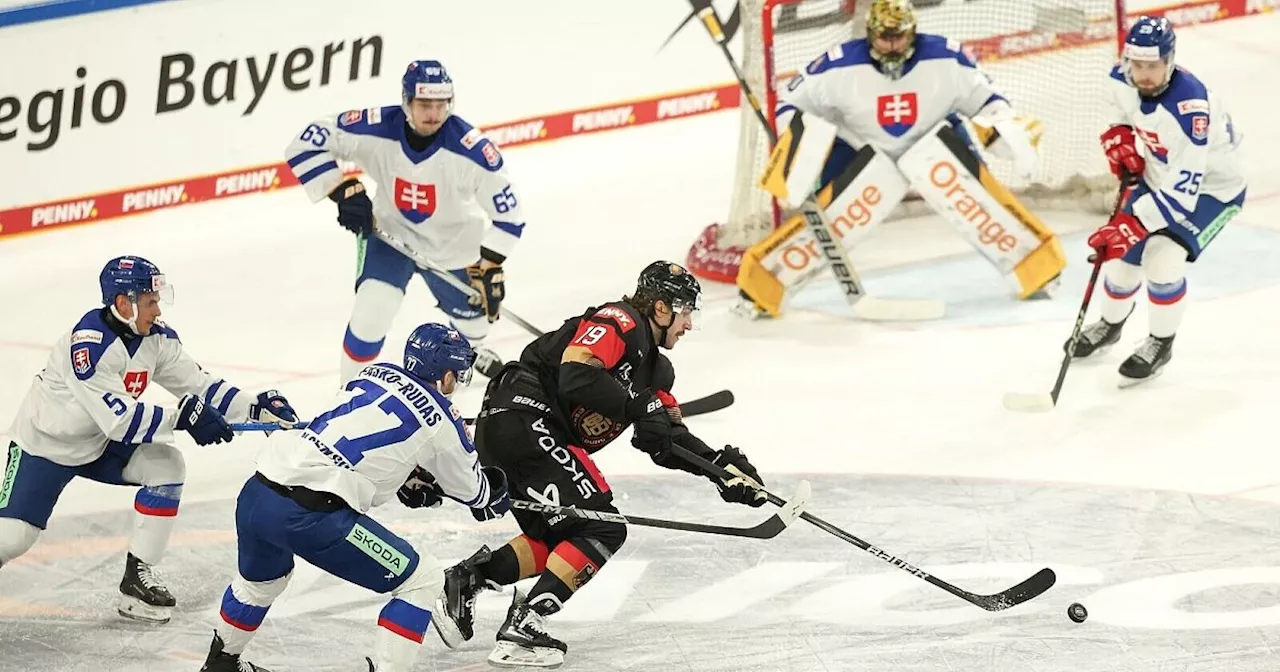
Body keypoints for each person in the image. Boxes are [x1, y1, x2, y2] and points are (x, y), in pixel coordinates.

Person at [432, 261, 767, 668]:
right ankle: (524, 624)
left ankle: (470, 577)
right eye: (685, 312)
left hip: (524, 431)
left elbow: (664, 441)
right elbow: (575, 373)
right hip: (523, 416)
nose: (689, 324)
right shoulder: (620, 321)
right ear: (661, 308)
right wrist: (634, 404)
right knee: (602, 526)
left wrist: (718, 469)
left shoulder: (657, 370)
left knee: (568, 535)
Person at [0, 255, 298, 624]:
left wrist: (254, 408)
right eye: (150, 300)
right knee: (11, 538)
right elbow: (121, 422)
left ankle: (135, 582)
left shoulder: (156, 338)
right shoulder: (89, 347)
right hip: (43, 447)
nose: (158, 309)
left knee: (167, 467)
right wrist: (184, 419)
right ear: (123, 303)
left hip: (96, 443)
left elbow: (201, 386)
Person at [199, 323, 510, 672]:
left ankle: (220, 665)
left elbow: (358, 443)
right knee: (423, 579)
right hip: (311, 516)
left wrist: (405, 477)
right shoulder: (442, 418)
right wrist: (495, 492)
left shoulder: (371, 374)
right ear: (446, 375)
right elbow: (474, 492)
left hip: (257, 493)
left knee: (261, 584)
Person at [737, 0, 1063, 318]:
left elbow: (989, 102)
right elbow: (789, 105)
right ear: (869, 32)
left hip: (932, 141)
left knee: (978, 201)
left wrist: (1006, 130)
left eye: (900, 36)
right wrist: (799, 145)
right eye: (884, 37)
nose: (892, 45)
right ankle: (760, 287)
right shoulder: (837, 65)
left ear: (913, 31)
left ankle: (1039, 268)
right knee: (831, 220)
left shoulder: (948, 57)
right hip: (860, 148)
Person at [283, 59, 526, 385]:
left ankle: (474, 348)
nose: (434, 114)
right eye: (425, 104)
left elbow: (509, 216)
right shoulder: (377, 127)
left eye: (441, 104)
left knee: (475, 327)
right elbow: (304, 143)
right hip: (391, 237)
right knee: (370, 315)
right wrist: (342, 189)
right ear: (406, 101)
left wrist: (491, 263)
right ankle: (350, 391)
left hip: (453, 247)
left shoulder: (473, 151)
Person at [1068, 16, 1246, 385]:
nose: (1144, 75)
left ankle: (1160, 343)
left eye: (1153, 66)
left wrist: (1131, 225)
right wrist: (1120, 136)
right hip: (1159, 177)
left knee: (1162, 259)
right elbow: (1120, 110)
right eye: (1138, 65)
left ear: (1170, 61)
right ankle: (1110, 325)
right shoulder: (1121, 78)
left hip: (1211, 191)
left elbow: (1183, 194)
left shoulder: (1189, 111)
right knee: (1120, 263)